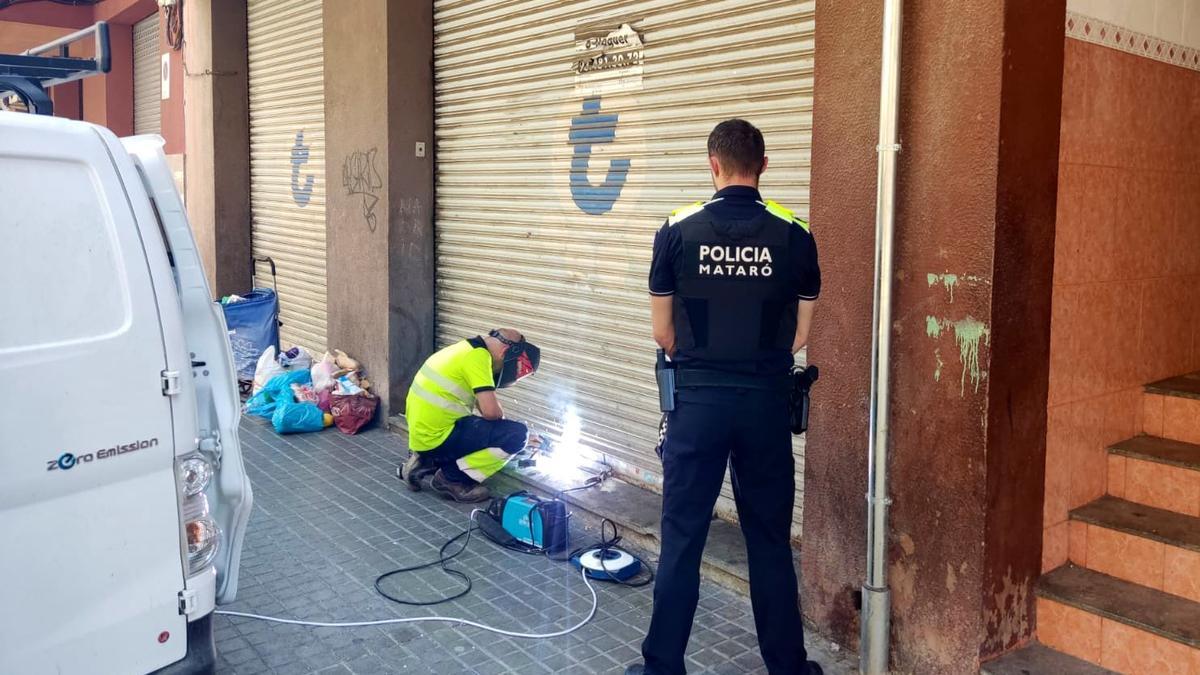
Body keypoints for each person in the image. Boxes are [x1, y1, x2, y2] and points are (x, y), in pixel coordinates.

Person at [626, 120, 822, 675]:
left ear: (713, 164)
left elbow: (662, 333)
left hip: (698, 407)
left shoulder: (677, 229)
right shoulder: (795, 234)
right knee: (768, 542)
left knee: (683, 538)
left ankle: (662, 667)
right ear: (762, 166)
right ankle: (788, 667)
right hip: (763, 407)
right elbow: (799, 336)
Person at [398, 329, 541, 503]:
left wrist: (501, 428)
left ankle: (425, 461)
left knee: (491, 429)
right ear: (505, 353)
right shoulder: (478, 358)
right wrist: (521, 440)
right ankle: (452, 478)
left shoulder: (463, 349)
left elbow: (485, 409)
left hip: (421, 437)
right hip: (438, 437)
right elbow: (491, 413)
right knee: (517, 434)